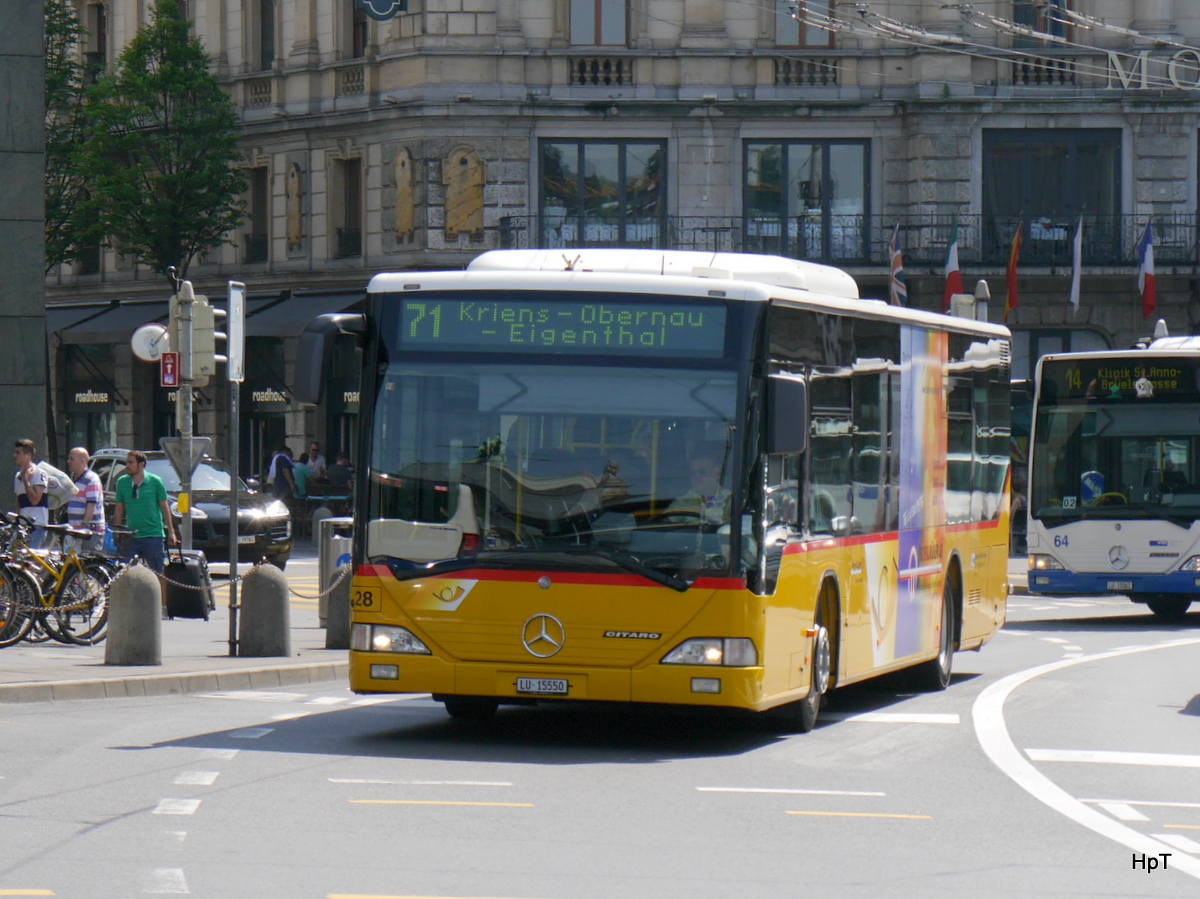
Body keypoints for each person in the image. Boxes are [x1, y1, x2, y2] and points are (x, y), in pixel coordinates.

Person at [112, 450, 177, 579]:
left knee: (157, 573)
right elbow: (119, 508)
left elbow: (164, 507)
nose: (127, 466)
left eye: (131, 463)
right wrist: (116, 532)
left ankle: (160, 600)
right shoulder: (122, 482)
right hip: (131, 536)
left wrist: (171, 532)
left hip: (152, 535)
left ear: (141, 465)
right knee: (124, 573)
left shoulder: (155, 481)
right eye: (127, 462)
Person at [666, 446, 731, 526]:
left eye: (702, 472)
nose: (697, 477)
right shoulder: (685, 501)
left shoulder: (730, 500)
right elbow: (665, 524)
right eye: (693, 473)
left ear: (716, 473)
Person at [65, 446, 106, 552]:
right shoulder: (73, 478)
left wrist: (84, 526)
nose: (68, 462)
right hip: (75, 531)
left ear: (83, 461)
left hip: (89, 532)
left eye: (72, 459)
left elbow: (91, 505)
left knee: (87, 564)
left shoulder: (91, 479)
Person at [12, 439, 49, 546]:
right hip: (22, 526)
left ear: (28, 455)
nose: (14, 455)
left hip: (36, 526)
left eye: (18, 453)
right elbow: (19, 502)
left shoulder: (39, 473)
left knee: (30, 561)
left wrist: (26, 480)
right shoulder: (17, 476)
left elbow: (35, 500)